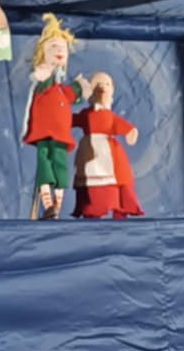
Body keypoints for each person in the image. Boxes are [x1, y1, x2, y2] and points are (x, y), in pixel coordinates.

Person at [22, 14, 91, 220]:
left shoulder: (61, 89)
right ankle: (47, 203)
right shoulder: (44, 83)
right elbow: (40, 80)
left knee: (60, 166)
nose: (59, 50)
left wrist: (81, 86)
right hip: (44, 132)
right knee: (45, 164)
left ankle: (56, 207)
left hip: (60, 134)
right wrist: (44, 71)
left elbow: (74, 94)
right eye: (53, 46)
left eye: (62, 47)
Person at [71, 72, 143, 219]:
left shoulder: (109, 115)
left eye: (106, 84)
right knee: (90, 180)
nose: (102, 87)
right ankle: (92, 208)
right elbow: (72, 120)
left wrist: (130, 131)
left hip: (108, 153)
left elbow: (120, 124)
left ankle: (117, 207)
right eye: (98, 84)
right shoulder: (86, 114)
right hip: (89, 152)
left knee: (116, 177)